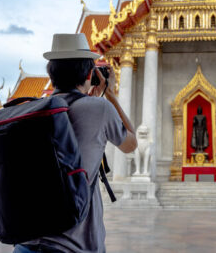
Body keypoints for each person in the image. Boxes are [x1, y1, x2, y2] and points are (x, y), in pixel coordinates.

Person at [14, 33, 137, 253]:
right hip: (73, 246)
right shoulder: (99, 109)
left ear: (51, 75)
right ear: (91, 74)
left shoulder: (31, 110)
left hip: (25, 244)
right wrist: (110, 95)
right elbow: (131, 143)